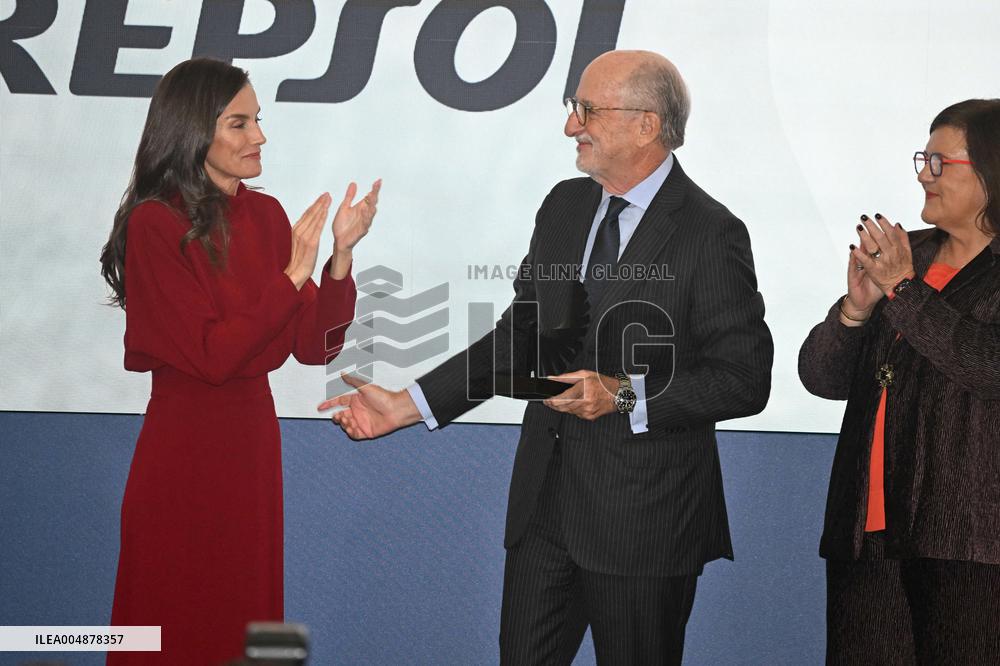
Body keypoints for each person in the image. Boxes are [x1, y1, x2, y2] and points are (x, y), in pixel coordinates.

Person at [319, 50, 772, 664]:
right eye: (573, 108)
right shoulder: (564, 207)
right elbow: (521, 338)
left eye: (587, 110)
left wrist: (624, 394)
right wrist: (406, 405)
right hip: (544, 517)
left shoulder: (710, 231)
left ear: (647, 124)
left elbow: (744, 379)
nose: (571, 126)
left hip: (646, 525)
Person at [99, 58, 380, 665]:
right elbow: (212, 357)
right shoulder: (156, 223)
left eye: (258, 121)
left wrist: (338, 259)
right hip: (184, 451)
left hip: (251, 447)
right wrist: (291, 276)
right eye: (239, 123)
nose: (259, 137)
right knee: (171, 618)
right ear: (194, 131)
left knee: (244, 621)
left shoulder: (268, 215)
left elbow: (314, 345)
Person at [798, 99, 1000, 665]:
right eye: (923, 159)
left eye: (940, 163)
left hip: (970, 544)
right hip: (867, 536)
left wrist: (905, 294)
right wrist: (854, 314)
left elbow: (988, 365)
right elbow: (820, 378)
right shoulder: (907, 254)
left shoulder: (905, 273)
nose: (922, 175)